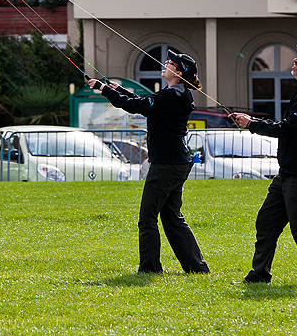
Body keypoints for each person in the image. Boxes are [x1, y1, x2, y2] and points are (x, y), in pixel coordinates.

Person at [87, 50, 210, 275]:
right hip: (176, 163)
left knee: (147, 218)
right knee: (172, 217)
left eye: (170, 63)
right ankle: (197, 268)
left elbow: (136, 106)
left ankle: (150, 269)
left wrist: (104, 89)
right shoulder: (177, 94)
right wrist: (119, 89)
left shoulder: (170, 96)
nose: (165, 64)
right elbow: (143, 103)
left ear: (178, 72)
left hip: (166, 164)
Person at [231, 45, 297, 285]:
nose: (295, 59)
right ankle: (259, 276)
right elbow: (289, 126)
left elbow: (288, 128)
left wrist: (252, 124)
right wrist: (254, 123)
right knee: (267, 222)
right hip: (288, 173)